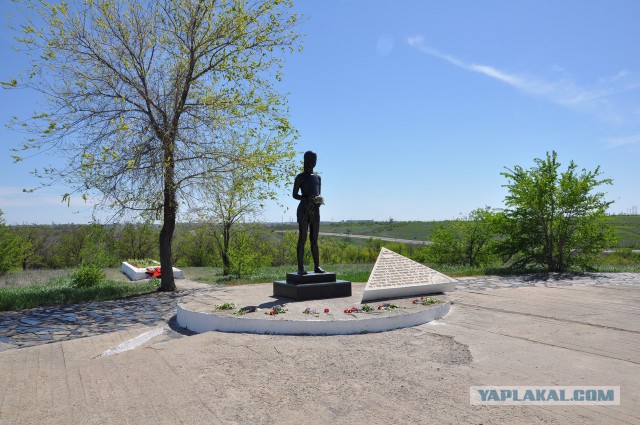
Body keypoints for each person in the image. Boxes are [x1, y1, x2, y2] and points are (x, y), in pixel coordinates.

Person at [292, 151, 325, 275]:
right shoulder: (300, 177)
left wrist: (318, 200)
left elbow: (318, 193)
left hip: (315, 211)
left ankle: (317, 266)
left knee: (314, 240)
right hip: (303, 211)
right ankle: (301, 268)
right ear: (306, 160)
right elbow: (294, 195)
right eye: (311, 159)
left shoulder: (318, 178)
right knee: (302, 238)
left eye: (315, 159)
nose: (314, 162)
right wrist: (307, 199)